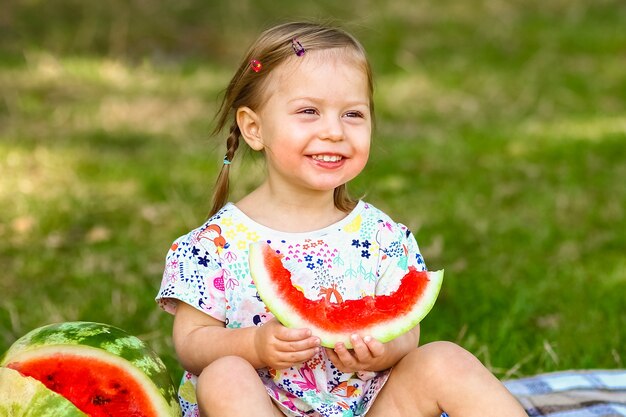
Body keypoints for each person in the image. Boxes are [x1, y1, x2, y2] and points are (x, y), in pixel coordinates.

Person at [156, 21, 527, 417]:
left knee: (444, 359)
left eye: (352, 114)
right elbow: (192, 343)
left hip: (368, 409)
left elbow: (409, 333)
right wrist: (254, 346)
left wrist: (384, 350)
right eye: (309, 111)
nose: (334, 131)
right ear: (254, 128)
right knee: (223, 375)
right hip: (268, 408)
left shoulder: (382, 236)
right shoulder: (214, 243)